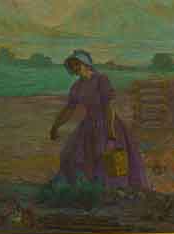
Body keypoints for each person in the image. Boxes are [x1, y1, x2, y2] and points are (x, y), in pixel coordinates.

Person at [48, 50, 147, 191]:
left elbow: (109, 107)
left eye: (77, 64)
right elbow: (69, 109)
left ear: (86, 64)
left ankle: (114, 191)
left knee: (107, 159)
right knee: (70, 154)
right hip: (88, 125)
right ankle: (88, 191)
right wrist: (55, 126)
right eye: (72, 66)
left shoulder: (101, 80)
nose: (75, 68)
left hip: (108, 123)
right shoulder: (77, 87)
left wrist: (111, 134)